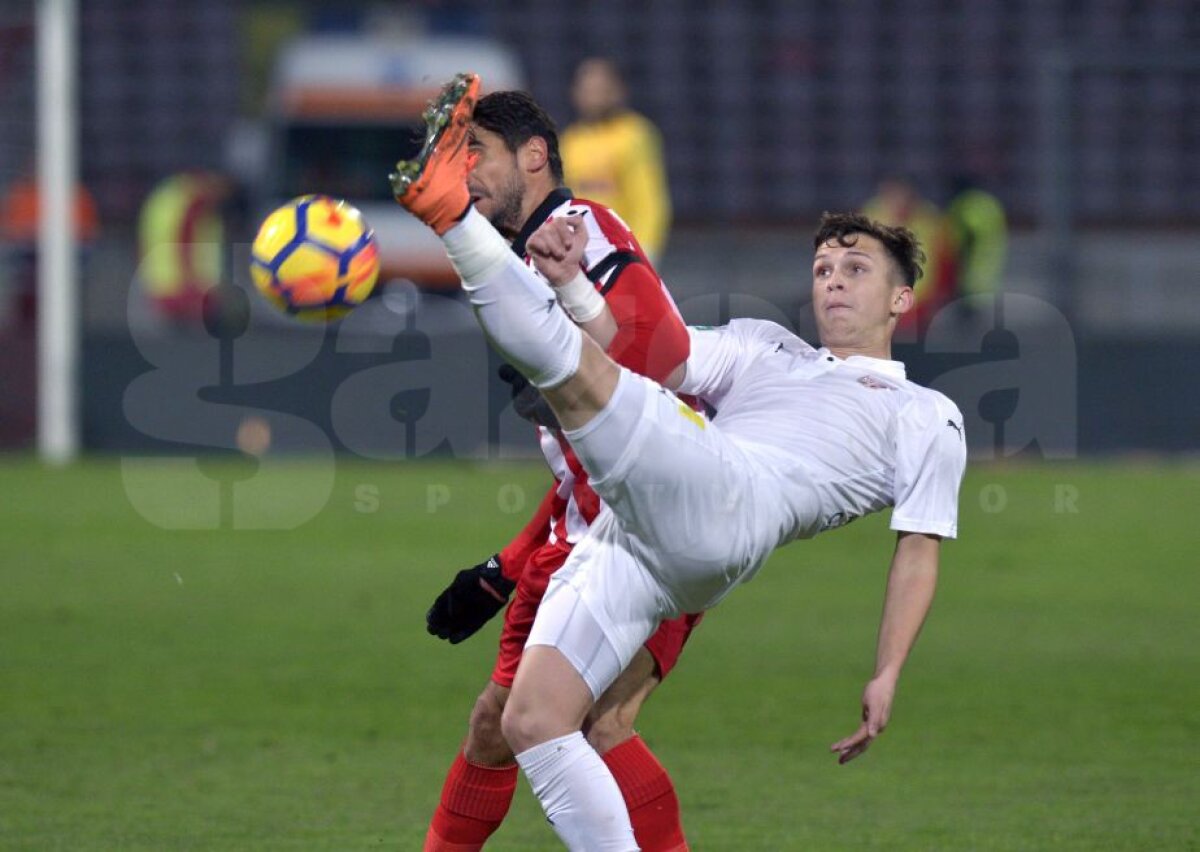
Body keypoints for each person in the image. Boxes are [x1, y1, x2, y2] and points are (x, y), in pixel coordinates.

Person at [393, 74, 966, 849]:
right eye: (825, 268)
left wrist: (887, 672)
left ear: (901, 301)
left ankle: (447, 217)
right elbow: (660, 361)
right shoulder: (770, 348)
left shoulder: (925, 414)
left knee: (573, 377)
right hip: (645, 535)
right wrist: (572, 290)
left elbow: (919, 549)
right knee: (533, 720)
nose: (833, 282)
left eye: (856, 270)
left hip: (732, 504)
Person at [419, 90, 696, 852]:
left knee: (544, 721)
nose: (464, 172)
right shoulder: (522, 260)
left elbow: (659, 361)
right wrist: (503, 566)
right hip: (627, 517)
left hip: (632, 533)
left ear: (534, 156)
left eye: (478, 155)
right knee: (545, 724)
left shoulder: (583, 234)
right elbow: (589, 452)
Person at [560, 58, 671, 262]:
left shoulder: (634, 134)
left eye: (600, 89)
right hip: (582, 253)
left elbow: (648, 200)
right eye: (588, 90)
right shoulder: (570, 141)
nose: (594, 97)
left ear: (617, 91)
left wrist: (646, 250)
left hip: (624, 249)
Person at [861, 176, 954, 334]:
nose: (898, 202)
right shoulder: (870, 219)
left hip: (921, 305)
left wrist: (940, 297)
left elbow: (946, 261)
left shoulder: (930, 220)